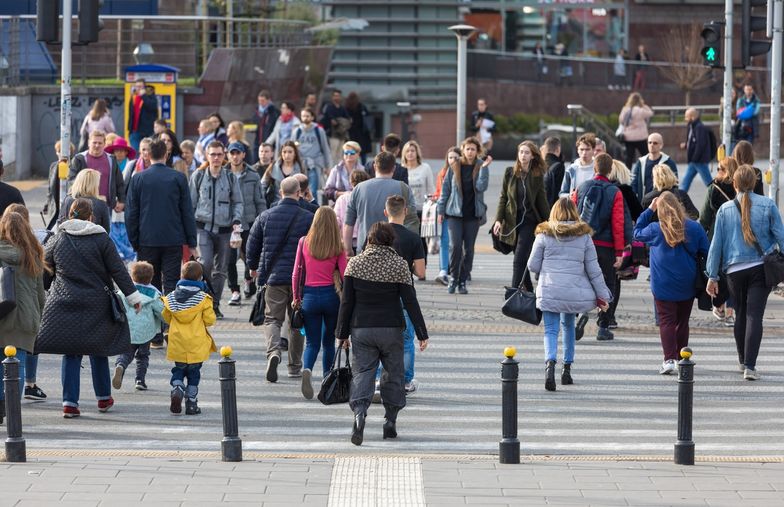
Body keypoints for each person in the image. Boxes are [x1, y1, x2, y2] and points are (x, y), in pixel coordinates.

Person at [36, 198, 142, 418]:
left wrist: (45, 291)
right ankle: (103, 398)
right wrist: (134, 297)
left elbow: (44, 269)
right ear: (91, 216)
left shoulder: (58, 239)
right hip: (97, 303)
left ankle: (70, 403)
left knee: (71, 353)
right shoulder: (101, 238)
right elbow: (118, 271)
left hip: (64, 302)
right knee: (99, 350)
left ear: (69, 214)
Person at [336, 222, 429, 446]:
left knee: (364, 372)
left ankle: (359, 415)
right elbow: (410, 301)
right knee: (393, 374)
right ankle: (390, 420)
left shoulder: (355, 264)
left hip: (362, 329)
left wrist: (342, 333)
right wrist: (421, 332)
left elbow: (347, 302)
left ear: (368, 240)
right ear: (391, 241)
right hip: (391, 329)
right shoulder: (398, 265)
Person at [706, 165, 784, 381]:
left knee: (740, 313)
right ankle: (750, 366)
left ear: (734, 183)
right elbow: (781, 237)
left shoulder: (725, 209)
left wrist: (712, 275)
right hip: (760, 268)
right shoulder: (767, 205)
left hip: (733, 271)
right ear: (756, 182)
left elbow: (717, 245)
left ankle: (742, 360)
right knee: (754, 316)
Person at [528, 198, 611, 391]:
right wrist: (603, 296)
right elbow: (594, 270)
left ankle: (549, 365)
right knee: (568, 327)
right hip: (573, 291)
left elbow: (532, 265)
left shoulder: (543, 234)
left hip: (550, 290)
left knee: (550, 330)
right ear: (575, 213)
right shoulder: (584, 237)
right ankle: (567, 370)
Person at [246, 177, 314, 383]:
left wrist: (252, 267)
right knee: (297, 322)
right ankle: (294, 366)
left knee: (272, 319)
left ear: (280, 193)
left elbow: (252, 244)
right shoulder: (308, 218)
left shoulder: (265, 216)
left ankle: (273, 352)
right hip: (299, 279)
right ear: (299, 193)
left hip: (273, 276)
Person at [635, 192, 709, 374]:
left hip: (662, 283)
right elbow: (707, 251)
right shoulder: (694, 228)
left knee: (666, 321)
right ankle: (682, 358)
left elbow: (636, 232)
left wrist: (650, 208)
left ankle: (669, 359)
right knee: (682, 321)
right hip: (687, 281)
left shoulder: (655, 229)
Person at [126, 138, 197, 298]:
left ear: (148, 154)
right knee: (172, 281)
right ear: (166, 154)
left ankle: (155, 319)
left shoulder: (138, 178)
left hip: (147, 239)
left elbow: (131, 213)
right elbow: (187, 211)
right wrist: (191, 241)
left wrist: (134, 240)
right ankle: (170, 318)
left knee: (150, 282)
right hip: (173, 238)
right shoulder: (178, 178)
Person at [572, 153, 631, 341]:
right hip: (606, 246)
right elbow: (618, 224)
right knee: (607, 284)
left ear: (594, 168)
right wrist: (619, 252)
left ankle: (581, 313)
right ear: (610, 170)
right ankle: (603, 326)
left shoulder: (581, 188)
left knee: (582, 280)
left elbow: (572, 216)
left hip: (584, 243)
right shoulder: (615, 192)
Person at [291, 206, 347, 399]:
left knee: (312, 343)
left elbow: (296, 272)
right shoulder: (338, 246)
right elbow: (344, 273)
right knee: (329, 342)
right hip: (331, 296)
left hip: (310, 297)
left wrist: (296, 297)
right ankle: (326, 380)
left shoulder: (304, 242)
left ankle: (307, 369)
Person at [0, 211, 47, 424]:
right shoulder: (33, 255)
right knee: (17, 368)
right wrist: (39, 318)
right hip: (26, 318)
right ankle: (11, 411)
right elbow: (40, 295)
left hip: (2, 315)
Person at [189, 140, 243, 319]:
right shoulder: (198, 175)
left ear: (224, 156)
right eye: (213, 154)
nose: (216, 158)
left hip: (225, 230)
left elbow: (238, 202)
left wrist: (236, 219)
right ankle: (204, 299)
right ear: (207, 156)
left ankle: (215, 303)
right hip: (203, 228)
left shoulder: (230, 177)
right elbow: (191, 204)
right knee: (206, 264)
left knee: (221, 270)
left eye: (220, 154)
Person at [437, 137, 492, 294]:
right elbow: (445, 190)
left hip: (472, 215)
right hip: (454, 214)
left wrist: (485, 169)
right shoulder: (454, 166)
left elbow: (481, 187)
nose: (470, 152)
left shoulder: (481, 165)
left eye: (473, 149)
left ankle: (462, 281)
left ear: (477, 151)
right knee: (455, 247)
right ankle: (453, 278)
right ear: (463, 149)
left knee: (468, 250)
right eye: (467, 148)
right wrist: (441, 211)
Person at [383, 195, 426, 395]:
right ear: (406, 212)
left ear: (386, 212)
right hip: (404, 293)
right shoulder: (413, 238)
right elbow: (421, 272)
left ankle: (377, 378)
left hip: (380, 292)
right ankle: (406, 380)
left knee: (380, 339)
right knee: (406, 339)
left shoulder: (376, 235)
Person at [162, 261, 217, 415]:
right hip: (196, 344)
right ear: (200, 279)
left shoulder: (171, 297)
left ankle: (177, 388)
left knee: (178, 370)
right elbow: (210, 320)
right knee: (194, 374)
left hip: (177, 342)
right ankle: (192, 404)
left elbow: (166, 317)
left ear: (181, 276)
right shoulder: (203, 299)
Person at [493, 141, 549, 290]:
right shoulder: (509, 172)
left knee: (518, 260)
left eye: (527, 153)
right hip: (512, 222)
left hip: (529, 222)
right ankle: (529, 292)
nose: (523, 155)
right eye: (521, 152)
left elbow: (542, 201)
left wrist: (549, 223)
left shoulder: (537, 175)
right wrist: (498, 220)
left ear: (532, 156)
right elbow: (503, 197)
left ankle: (512, 295)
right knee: (522, 259)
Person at [343, 152, 416, 256]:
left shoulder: (359, 188)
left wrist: (348, 249)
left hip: (365, 250)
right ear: (394, 168)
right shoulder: (404, 188)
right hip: (396, 251)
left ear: (374, 167)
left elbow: (348, 224)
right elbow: (412, 221)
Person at [112, 261, 164, 391]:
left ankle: (120, 365)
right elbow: (161, 312)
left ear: (132, 277)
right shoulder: (154, 294)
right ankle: (140, 380)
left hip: (128, 329)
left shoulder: (124, 292)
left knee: (126, 353)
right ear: (151, 278)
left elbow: (116, 306)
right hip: (146, 332)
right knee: (143, 356)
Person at [225, 141, 265, 305]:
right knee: (229, 259)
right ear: (228, 155)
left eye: (238, 153)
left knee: (250, 256)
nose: (235, 156)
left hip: (249, 221)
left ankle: (249, 280)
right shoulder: (223, 173)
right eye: (232, 153)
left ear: (243, 155)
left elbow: (259, 200)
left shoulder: (253, 175)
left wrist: (261, 220)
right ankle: (234, 290)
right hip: (228, 223)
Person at [68, 129, 125, 214]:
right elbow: (71, 181)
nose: (97, 145)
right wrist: (93, 197)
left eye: (100, 143)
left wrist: (121, 200)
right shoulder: (79, 159)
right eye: (94, 142)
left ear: (104, 144)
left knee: (105, 228)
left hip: (106, 207)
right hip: (83, 208)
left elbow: (119, 182)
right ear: (88, 143)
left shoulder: (111, 159)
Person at [401, 140, 435, 262]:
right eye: (407, 151)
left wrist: (432, 206)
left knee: (420, 239)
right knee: (406, 240)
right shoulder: (401, 169)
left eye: (412, 151)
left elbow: (431, 189)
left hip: (421, 210)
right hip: (405, 211)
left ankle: (422, 266)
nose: (410, 153)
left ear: (417, 153)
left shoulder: (425, 168)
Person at [433, 147, 459, 286]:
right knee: (444, 241)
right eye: (450, 157)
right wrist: (439, 209)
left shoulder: (465, 172)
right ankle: (443, 270)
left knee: (456, 243)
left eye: (455, 157)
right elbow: (439, 192)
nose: (453, 160)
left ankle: (457, 269)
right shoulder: (442, 173)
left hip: (459, 213)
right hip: (445, 211)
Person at [293, 107, 331, 200]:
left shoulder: (319, 130)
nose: (305, 118)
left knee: (313, 191)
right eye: (303, 116)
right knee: (298, 191)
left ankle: (313, 212)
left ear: (312, 117)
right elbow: (292, 148)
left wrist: (328, 166)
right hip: (301, 165)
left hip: (314, 164)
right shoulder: (297, 131)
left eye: (307, 116)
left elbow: (325, 148)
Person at [630, 133, 679, 203]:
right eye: (649, 142)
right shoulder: (640, 162)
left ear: (661, 145)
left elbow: (675, 183)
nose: (652, 145)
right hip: (644, 203)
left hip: (662, 203)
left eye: (655, 143)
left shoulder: (669, 162)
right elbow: (633, 183)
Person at [59, 168, 111, 233]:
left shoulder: (68, 200)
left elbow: (60, 224)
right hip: (93, 241)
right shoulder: (101, 204)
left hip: (69, 240)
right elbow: (106, 231)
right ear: (94, 185)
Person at [334, 169, 370, 254]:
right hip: (364, 239)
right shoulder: (368, 198)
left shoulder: (342, 198)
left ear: (351, 182)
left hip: (346, 240)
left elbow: (336, 220)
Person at [679, 108, 714, 192]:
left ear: (692, 117)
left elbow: (700, 144)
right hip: (694, 161)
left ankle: (718, 196)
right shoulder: (692, 126)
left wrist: (694, 158)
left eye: (686, 117)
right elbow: (693, 141)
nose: (685, 119)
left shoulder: (699, 127)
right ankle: (679, 197)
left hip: (699, 161)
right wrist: (686, 145)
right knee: (685, 182)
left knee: (709, 183)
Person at [261, 140, 304, 208]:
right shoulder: (273, 166)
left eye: (290, 152)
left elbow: (305, 187)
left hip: (295, 205)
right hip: (276, 205)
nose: (287, 155)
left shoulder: (300, 168)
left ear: (295, 153)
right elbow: (263, 184)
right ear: (281, 153)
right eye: (284, 152)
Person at [618, 93, 653, 169]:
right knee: (645, 155)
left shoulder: (625, 109)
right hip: (641, 137)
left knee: (629, 157)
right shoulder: (640, 110)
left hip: (628, 137)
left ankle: (627, 174)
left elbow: (621, 120)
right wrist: (643, 105)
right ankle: (649, 169)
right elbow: (650, 113)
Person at [319, 89, 352, 165]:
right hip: (333, 134)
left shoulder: (342, 108)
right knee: (333, 152)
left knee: (340, 153)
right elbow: (330, 120)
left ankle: (339, 169)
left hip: (342, 133)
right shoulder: (329, 107)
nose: (336, 97)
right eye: (335, 96)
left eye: (338, 96)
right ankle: (332, 169)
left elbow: (348, 118)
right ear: (332, 97)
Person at [127, 78, 158, 151]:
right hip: (134, 131)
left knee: (148, 151)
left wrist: (144, 96)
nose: (138, 88)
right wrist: (130, 130)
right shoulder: (134, 97)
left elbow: (152, 107)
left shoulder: (150, 96)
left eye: (140, 86)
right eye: (137, 86)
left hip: (147, 131)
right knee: (136, 152)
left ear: (144, 87)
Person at [345, 92, 373, 164]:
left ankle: (353, 164)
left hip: (352, 133)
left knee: (352, 151)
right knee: (362, 152)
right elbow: (367, 117)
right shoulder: (361, 107)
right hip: (362, 132)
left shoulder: (347, 108)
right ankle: (363, 166)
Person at [253, 90, 280, 156]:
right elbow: (254, 122)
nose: (261, 103)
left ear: (268, 100)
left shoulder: (274, 111)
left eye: (263, 101)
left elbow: (273, 126)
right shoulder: (257, 110)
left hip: (269, 140)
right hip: (258, 139)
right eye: (259, 101)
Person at [542, 137, 565, 208]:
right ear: (558, 149)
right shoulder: (559, 166)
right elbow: (558, 191)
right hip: (553, 208)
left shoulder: (540, 165)